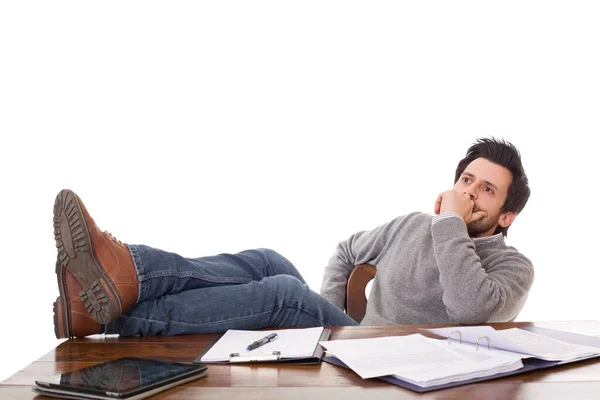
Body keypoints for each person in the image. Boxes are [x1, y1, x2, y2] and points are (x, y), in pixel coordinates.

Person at [53, 137, 533, 338]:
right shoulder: (412, 224)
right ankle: (128, 276)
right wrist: (336, 322)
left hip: (402, 364)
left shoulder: (514, 269)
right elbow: (347, 252)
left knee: (284, 296)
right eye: (466, 180)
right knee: (268, 260)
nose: (470, 193)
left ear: (506, 215)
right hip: (356, 342)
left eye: (486, 189)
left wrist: (449, 224)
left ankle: (109, 313)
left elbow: (472, 309)